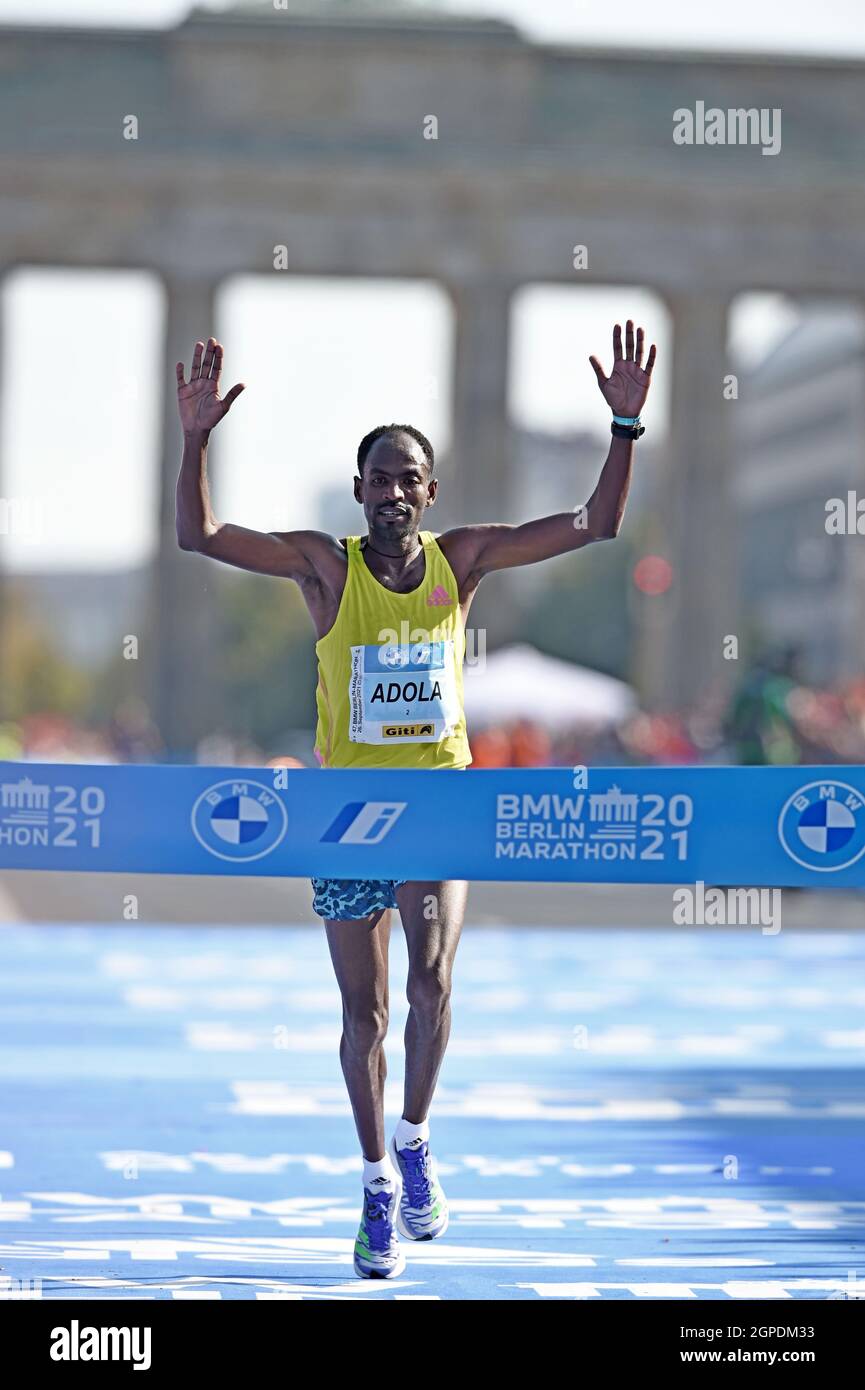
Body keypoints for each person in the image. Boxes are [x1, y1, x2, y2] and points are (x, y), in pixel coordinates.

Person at [174, 321, 656, 1278]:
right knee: (366, 1015)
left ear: (429, 494)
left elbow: (594, 526)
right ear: (358, 492)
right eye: (379, 478)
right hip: (348, 814)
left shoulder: (462, 561)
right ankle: (374, 1188)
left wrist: (622, 427)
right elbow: (200, 536)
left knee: (433, 984)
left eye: (409, 479)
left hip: (437, 802)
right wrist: (195, 441)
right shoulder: (325, 568)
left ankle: (417, 1140)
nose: (393, 493)